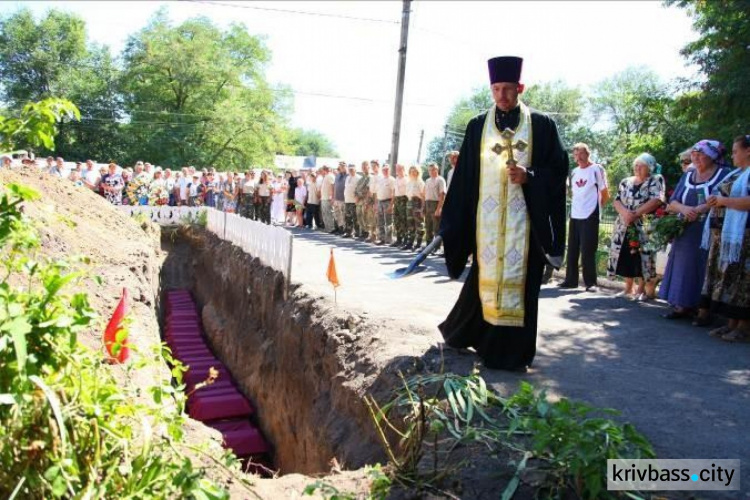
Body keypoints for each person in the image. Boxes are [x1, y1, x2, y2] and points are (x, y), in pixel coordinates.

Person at [438, 56, 568, 372]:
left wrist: (530, 175)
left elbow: (558, 169)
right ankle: (475, 337)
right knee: (484, 280)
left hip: (525, 226)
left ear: (520, 87)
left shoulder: (542, 125)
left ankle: (510, 354)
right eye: (496, 89)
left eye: (508, 89)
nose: (502, 96)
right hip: (487, 224)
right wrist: (454, 222)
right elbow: (465, 179)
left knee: (520, 286)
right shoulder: (477, 126)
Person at [660, 140, 730, 320]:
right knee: (683, 266)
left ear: (713, 156)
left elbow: (723, 197)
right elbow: (673, 201)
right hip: (686, 229)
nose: (696, 158)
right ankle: (681, 305)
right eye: (694, 154)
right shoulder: (688, 176)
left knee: (705, 266)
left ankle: (703, 309)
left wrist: (699, 209)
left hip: (711, 229)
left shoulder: (724, 174)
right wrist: (685, 209)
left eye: (701, 154)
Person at [698, 135, 750, 341]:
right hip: (728, 237)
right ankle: (731, 323)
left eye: (736, 151)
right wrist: (715, 201)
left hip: (745, 236)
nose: (733, 155)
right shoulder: (737, 173)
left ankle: (744, 327)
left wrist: (724, 201)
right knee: (730, 278)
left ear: (748, 151)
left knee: (743, 280)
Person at [607, 153, 666, 300]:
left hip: (645, 226)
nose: (637, 168)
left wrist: (635, 214)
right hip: (624, 225)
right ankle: (628, 288)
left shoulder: (656, 179)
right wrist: (626, 214)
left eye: (641, 166)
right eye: (636, 165)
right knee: (626, 255)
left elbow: (657, 200)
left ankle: (642, 290)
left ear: (650, 168)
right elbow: (616, 200)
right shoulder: (626, 181)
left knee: (643, 256)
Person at [559, 143, 609, 291]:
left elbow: (605, 192)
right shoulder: (574, 172)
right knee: (572, 249)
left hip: (590, 214)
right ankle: (571, 281)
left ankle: (591, 283)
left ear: (588, 154)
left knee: (587, 250)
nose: (578, 157)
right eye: (575, 155)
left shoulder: (596, 169)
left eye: (581, 154)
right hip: (575, 214)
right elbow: (572, 192)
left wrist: (598, 208)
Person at [424, 163, 446, 252]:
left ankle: (436, 247)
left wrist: (439, 208)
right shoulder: (427, 180)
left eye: (433, 169)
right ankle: (428, 247)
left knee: (436, 227)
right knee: (428, 226)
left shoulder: (440, 180)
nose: (432, 171)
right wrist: (424, 207)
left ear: (437, 170)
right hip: (428, 203)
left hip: (435, 204)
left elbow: (442, 195)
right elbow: (425, 193)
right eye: (430, 170)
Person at [403, 165, 425, 250]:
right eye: (411, 171)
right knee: (410, 223)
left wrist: (422, 208)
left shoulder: (420, 182)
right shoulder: (409, 182)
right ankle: (410, 243)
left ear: (418, 172)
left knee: (419, 223)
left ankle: (418, 244)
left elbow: (423, 196)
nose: (413, 172)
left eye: (415, 171)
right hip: (409, 202)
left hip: (417, 202)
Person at [375, 164, 396, 245]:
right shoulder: (380, 179)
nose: (385, 171)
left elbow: (394, 194)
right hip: (380, 202)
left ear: (389, 170)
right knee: (380, 221)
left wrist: (391, 205)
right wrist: (376, 203)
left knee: (388, 221)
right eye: (384, 169)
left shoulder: (392, 180)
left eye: (387, 169)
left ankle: (389, 239)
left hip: (388, 202)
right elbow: (377, 192)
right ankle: (381, 238)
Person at [392, 164, 409, 247]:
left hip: (404, 200)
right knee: (397, 220)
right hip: (397, 200)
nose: (397, 170)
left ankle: (406, 239)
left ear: (403, 169)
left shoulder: (406, 179)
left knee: (404, 220)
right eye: (396, 169)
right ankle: (399, 239)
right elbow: (394, 192)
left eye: (399, 168)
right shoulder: (396, 179)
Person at [354, 161, 371, 239]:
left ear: (368, 167)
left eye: (365, 166)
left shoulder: (370, 177)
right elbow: (356, 188)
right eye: (363, 166)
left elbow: (368, 190)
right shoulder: (361, 178)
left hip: (365, 200)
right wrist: (356, 196)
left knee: (365, 216)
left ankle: (367, 232)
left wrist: (360, 196)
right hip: (359, 200)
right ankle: (363, 231)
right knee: (359, 215)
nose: (364, 168)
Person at [366, 161, 381, 242]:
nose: (373, 167)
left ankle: (377, 236)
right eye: (372, 166)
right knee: (370, 217)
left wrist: (376, 201)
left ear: (378, 166)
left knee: (377, 217)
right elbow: (369, 189)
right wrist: (368, 200)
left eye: (374, 166)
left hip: (377, 197)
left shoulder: (381, 176)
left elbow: (379, 190)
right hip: (371, 197)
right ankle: (371, 234)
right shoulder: (372, 177)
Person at [343, 164, 359, 237]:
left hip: (354, 201)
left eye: (352, 170)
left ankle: (357, 232)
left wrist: (357, 199)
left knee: (355, 217)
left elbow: (358, 190)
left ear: (355, 170)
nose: (350, 171)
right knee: (347, 217)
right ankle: (348, 232)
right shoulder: (347, 177)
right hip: (347, 200)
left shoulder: (358, 178)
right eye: (349, 170)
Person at [320, 166, 336, 232]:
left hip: (327, 198)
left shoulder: (330, 176)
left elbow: (332, 186)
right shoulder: (326, 176)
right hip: (324, 197)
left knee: (329, 213)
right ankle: (327, 227)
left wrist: (331, 196)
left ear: (324, 170)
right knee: (325, 213)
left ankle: (331, 228)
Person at [333, 162, 347, 234]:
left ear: (345, 167)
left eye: (342, 166)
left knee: (343, 215)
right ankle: (340, 228)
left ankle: (345, 229)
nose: (341, 168)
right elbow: (335, 187)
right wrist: (334, 198)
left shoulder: (347, 175)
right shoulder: (337, 175)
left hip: (343, 199)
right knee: (337, 214)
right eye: (340, 166)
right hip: (337, 198)